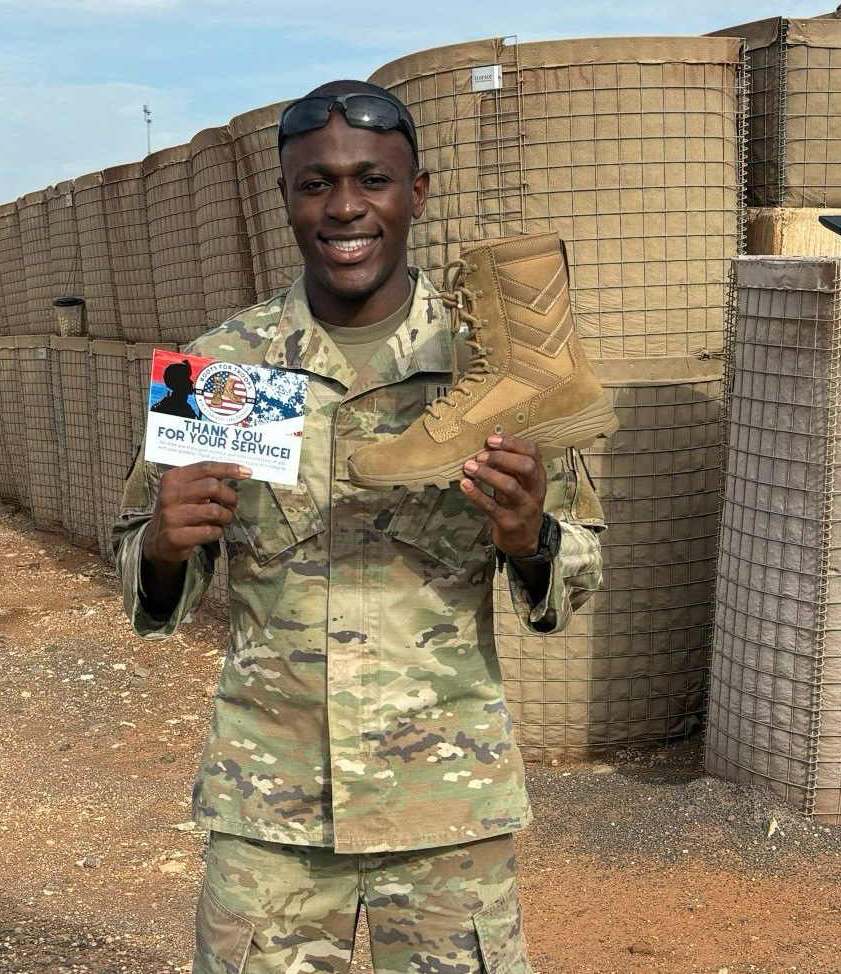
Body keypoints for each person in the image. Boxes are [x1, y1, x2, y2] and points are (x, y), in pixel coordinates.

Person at [112, 80, 604, 974]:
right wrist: (160, 543)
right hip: (272, 812)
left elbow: (575, 580)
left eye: (372, 180)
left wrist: (529, 533)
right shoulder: (227, 368)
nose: (344, 207)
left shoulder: (492, 368)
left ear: (416, 193)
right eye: (316, 184)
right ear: (287, 201)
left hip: (444, 806)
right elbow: (147, 594)